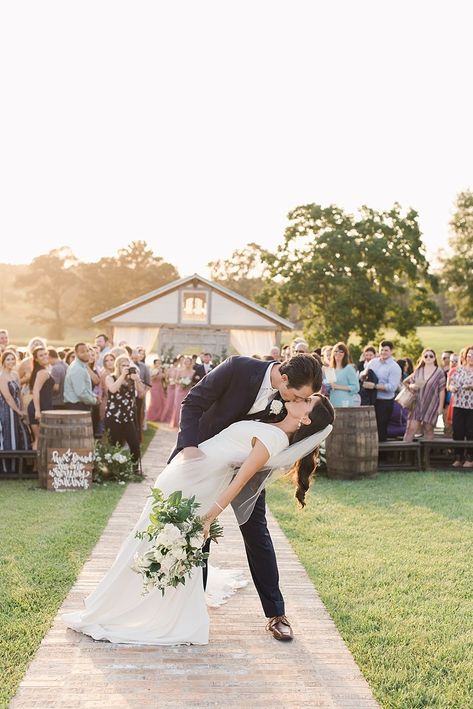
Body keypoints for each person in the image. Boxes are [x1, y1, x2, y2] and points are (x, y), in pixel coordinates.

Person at [63, 389, 333, 645]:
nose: (301, 397)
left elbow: (238, 483)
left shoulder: (274, 440)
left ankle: (132, 607)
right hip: (189, 472)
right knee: (147, 536)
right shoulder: (272, 417)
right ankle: (121, 601)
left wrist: (209, 517)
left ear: (306, 418)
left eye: (308, 400)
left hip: (196, 484)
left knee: (158, 539)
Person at [174, 353, 323, 641]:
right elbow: (193, 402)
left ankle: (276, 613)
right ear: (284, 378)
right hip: (204, 459)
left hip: (248, 470)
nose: (299, 402)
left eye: (306, 399)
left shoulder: (292, 401)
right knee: (196, 532)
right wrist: (189, 447)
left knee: (257, 534)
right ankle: (193, 608)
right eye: (297, 395)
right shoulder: (237, 368)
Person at [104, 355, 146, 472]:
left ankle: (135, 468)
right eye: (123, 365)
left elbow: (141, 393)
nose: (126, 368)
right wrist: (122, 375)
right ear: (118, 366)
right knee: (115, 444)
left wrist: (137, 379)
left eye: (128, 365)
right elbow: (112, 389)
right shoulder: (110, 377)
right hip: (114, 417)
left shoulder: (131, 380)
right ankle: (115, 470)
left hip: (128, 417)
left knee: (134, 443)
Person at [402, 349, 446, 442]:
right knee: (411, 429)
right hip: (417, 403)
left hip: (432, 404)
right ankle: (405, 455)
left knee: (428, 429)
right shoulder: (418, 370)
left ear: (434, 358)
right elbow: (406, 382)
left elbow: (442, 390)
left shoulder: (439, 372)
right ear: (423, 358)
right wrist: (411, 386)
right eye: (426, 356)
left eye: (431, 356)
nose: (428, 358)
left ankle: (427, 455)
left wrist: (440, 408)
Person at [362, 340, 402, 442]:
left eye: (386, 350)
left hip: (384, 402)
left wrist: (375, 386)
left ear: (391, 351)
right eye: (382, 350)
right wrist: (363, 375)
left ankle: (382, 456)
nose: (383, 352)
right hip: (371, 400)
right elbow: (364, 373)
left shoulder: (394, 367)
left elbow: (392, 387)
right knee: (369, 427)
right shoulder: (373, 362)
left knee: (381, 428)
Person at [0, 350, 31, 472]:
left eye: (13, 359)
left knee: (21, 433)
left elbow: (19, 394)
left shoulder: (15, 374)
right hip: (7, 409)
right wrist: (17, 411)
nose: (11, 361)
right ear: (3, 361)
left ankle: (21, 466)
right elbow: (7, 397)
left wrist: (22, 409)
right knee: (9, 434)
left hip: (18, 407)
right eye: (8, 359)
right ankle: (8, 468)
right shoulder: (2, 376)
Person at [449, 345, 473, 468]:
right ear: (465, 356)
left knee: (470, 432)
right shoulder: (458, 369)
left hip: (472, 406)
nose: (471, 358)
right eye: (469, 355)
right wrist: (452, 388)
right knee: (457, 431)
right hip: (458, 404)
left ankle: (470, 458)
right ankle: (458, 457)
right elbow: (450, 385)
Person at [27, 346, 54, 449]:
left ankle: (36, 465)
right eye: (41, 355)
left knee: (39, 440)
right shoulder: (42, 372)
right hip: (39, 408)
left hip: (41, 406)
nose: (44, 357)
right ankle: (38, 465)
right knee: (39, 440)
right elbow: (35, 391)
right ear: (36, 359)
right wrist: (38, 411)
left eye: (45, 354)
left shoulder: (40, 370)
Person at [64, 343, 99, 412]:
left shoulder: (81, 366)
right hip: (77, 406)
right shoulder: (77, 368)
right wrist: (94, 401)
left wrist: (94, 396)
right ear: (76, 353)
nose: (86, 353)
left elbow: (85, 388)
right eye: (83, 352)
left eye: (87, 351)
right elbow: (81, 393)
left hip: (79, 405)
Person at [327, 342, 360, 407]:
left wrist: (337, 386)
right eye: (336, 351)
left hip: (345, 402)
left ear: (345, 354)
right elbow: (329, 387)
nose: (338, 353)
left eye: (341, 351)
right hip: (332, 401)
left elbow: (356, 387)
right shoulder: (330, 369)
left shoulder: (349, 368)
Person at [169, 356, 197, 429]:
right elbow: (175, 380)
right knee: (178, 406)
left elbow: (194, 382)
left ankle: (185, 423)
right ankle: (177, 423)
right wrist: (181, 382)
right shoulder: (179, 371)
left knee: (186, 407)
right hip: (179, 390)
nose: (186, 363)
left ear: (191, 363)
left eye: (188, 361)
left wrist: (188, 384)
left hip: (188, 391)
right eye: (185, 361)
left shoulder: (193, 372)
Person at [146, 358, 166, 422]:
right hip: (154, 387)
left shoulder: (161, 370)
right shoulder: (153, 370)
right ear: (154, 364)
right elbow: (151, 379)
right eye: (158, 363)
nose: (159, 364)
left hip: (160, 387)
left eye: (160, 363)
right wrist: (156, 374)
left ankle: (159, 416)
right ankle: (152, 416)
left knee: (161, 401)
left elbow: (164, 377)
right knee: (155, 402)